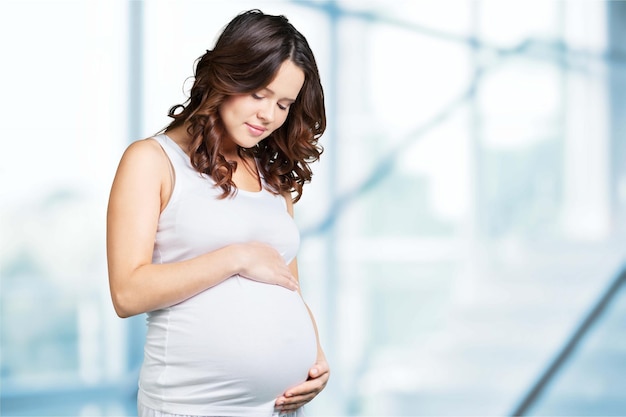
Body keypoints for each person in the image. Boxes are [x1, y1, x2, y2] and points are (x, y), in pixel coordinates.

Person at [106, 9, 329, 417]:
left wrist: (315, 358)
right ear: (226, 77)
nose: (269, 115)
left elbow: (289, 287)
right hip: (191, 406)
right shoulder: (153, 161)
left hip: (281, 409)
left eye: (283, 104)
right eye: (259, 94)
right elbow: (127, 292)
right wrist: (236, 257)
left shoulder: (272, 175)